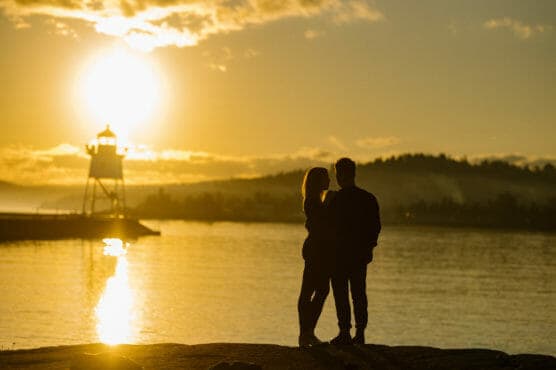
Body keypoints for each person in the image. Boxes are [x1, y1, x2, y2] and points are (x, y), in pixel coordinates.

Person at [329, 158, 381, 345]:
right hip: (359, 255)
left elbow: (328, 228)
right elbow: (375, 227)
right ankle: (360, 333)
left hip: (338, 255)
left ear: (340, 174)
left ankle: (344, 331)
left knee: (341, 293)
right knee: (359, 293)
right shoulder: (368, 198)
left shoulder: (335, 200)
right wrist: (369, 248)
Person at [297, 167, 335, 347]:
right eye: (326, 177)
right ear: (318, 181)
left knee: (317, 290)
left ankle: (307, 333)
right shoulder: (312, 201)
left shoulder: (314, 200)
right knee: (311, 291)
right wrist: (329, 203)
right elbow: (321, 222)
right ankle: (306, 333)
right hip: (316, 250)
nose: (329, 180)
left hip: (320, 250)